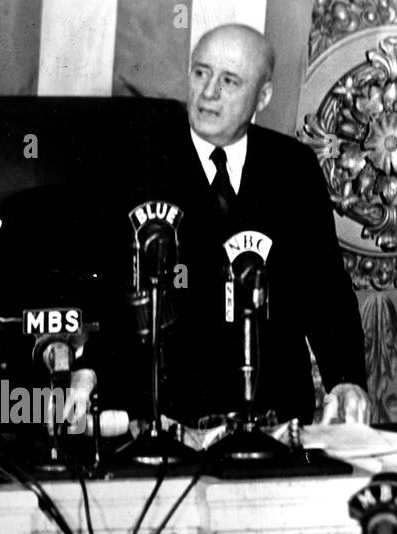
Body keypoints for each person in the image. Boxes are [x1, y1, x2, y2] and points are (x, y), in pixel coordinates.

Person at [121, 24, 369, 428]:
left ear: (264, 96)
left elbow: (324, 288)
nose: (208, 93)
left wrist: (345, 379)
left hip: (275, 413)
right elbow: (110, 291)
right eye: (200, 73)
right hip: (170, 417)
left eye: (229, 81)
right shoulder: (139, 164)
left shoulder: (292, 169)